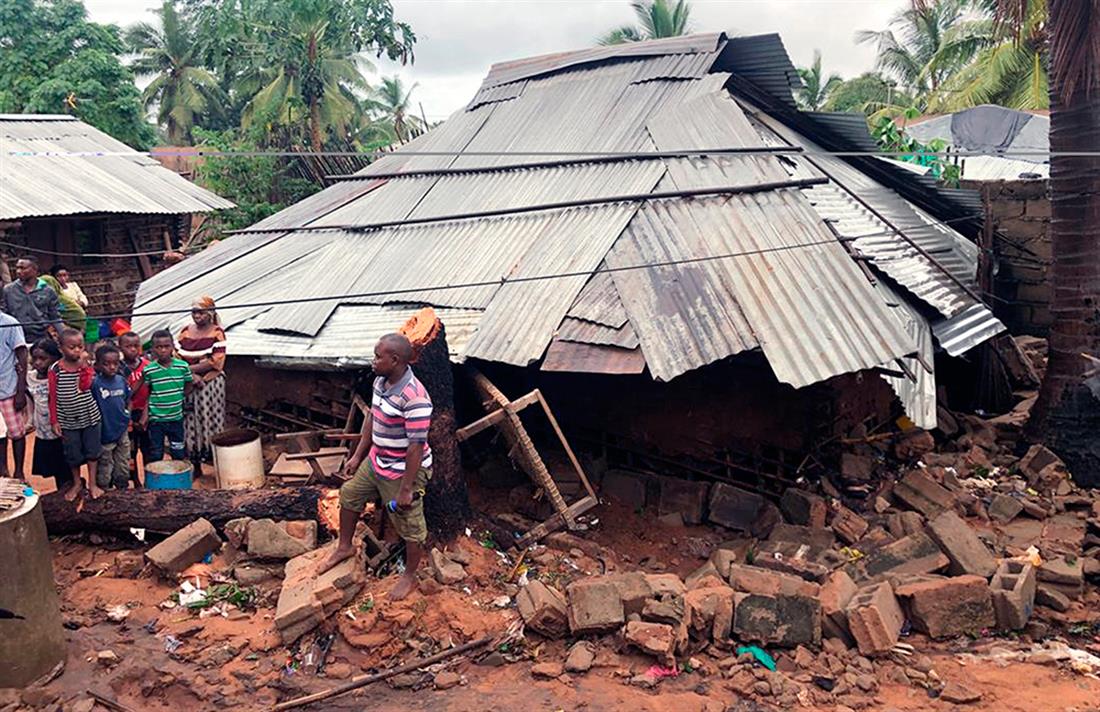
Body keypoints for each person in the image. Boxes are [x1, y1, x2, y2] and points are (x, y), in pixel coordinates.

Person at [320, 333, 433, 601]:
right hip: (377, 459)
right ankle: (345, 547)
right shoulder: (380, 382)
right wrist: (358, 456)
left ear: (394, 360)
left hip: (405, 469)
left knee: (409, 524)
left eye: (378, 356)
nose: (373, 361)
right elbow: (372, 417)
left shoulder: (415, 397)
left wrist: (406, 489)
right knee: (350, 495)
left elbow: (416, 447)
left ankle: (409, 575)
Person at [48, 328, 101, 500]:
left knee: (93, 452)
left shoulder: (85, 366)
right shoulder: (55, 369)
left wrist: (85, 367)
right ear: (61, 348)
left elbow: (85, 386)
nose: (77, 351)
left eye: (80, 346)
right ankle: (77, 482)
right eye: (72, 347)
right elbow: (53, 396)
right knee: (73, 454)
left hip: (89, 416)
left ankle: (93, 483)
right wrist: (55, 421)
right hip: (67, 419)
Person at [178, 296, 227, 473]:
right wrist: (190, 374)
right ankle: (195, 463)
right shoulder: (185, 331)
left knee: (210, 420)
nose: (196, 315)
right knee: (191, 422)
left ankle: (217, 464)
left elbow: (215, 362)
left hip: (210, 384)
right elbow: (176, 358)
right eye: (194, 312)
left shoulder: (217, 332)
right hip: (189, 385)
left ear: (210, 313)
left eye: (200, 312)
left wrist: (190, 370)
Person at [140, 330, 193, 463]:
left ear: (172, 347)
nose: (163, 350)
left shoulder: (182, 367)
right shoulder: (149, 370)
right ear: (152, 349)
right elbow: (149, 391)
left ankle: (177, 481)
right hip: (156, 420)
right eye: (158, 347)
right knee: (157, 453)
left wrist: (179, 396)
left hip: (176, 418)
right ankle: (157, 482)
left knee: (178, 452)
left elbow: (189, 385)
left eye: (166, 346)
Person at [26, 339, 69, 489]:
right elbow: (32, 401)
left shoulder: (61, 375)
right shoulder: (30, 378)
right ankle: (61, 492)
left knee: (67, 464)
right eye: (35, 358)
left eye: (43, 359)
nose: (38, 363)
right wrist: (31, 422)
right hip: (43, 430)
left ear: (55, 358)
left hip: (61, 429)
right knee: (55, 467)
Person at [92, 343, 131, 491]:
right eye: (106, 364)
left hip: (122, 428)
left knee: (123, 461)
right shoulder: (95, 384)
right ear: (98, 365)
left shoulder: (121, 380)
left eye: (115, 363)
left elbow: (128, 399)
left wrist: (127, 414)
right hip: (104, 431)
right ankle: (105, 488)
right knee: (105, 463)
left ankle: (122, 487)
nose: (112, 367)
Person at [2, 256, 63, 343]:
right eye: (17, 268)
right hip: (15, 338)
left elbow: (55, 317)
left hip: (41, 338)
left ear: (35, 270)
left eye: (23, 268)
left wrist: (64, 336)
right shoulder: (8, 290)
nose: (18, 271)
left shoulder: (48, 291)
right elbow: (4, 315)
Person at [0, 311, 28, 479]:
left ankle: (19, 472)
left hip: (8, 389)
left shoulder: (10, 323)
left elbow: (22, 354)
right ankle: (3, 470)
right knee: (0, 435)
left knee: (17, 434)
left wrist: (20, 390)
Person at [119, 332, 149, 487]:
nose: (133, 349)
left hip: (146, 412)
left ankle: (149, 480)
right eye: (128, 346)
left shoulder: (147, 365)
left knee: (148, 449)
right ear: (120, 347)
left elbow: (153, 391)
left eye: (136, 346)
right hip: (127, 415)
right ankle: (135, 480)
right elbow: (124, 395)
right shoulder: (118, 368)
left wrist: (146, 415)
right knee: (130, 451)